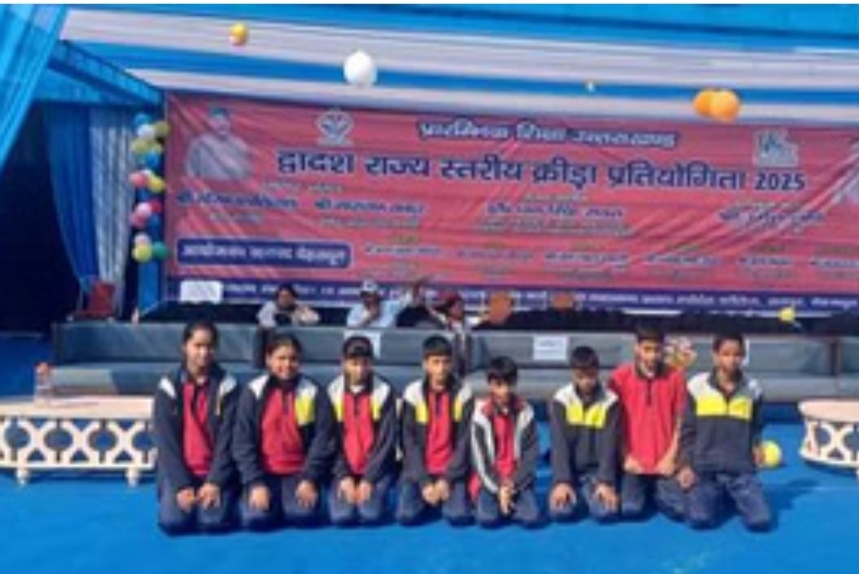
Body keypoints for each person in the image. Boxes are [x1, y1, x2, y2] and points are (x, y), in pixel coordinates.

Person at [232, 334, 335, 530]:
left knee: (304, 517)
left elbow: (323, 439)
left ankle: (287, 502)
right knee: (256, 520)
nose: (287, 365)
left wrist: (310, 478)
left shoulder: (313, 392)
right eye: (281, 358)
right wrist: (255, 483)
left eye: (293, 359)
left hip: (299, 473)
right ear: (268, 359)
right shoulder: (253, 392)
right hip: (263, 473)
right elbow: (242, 441)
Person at [677, 332, 772, 531]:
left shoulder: (753, 389)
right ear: (715, 356)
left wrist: (757, 445)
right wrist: (685, 465)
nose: (732, 359)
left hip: (740, 470)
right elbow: (687, 430)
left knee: (760, 521)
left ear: (743, 356)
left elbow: (756, 426)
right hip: (705, 470)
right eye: (726, 354)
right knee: (699, 519)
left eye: (737, 354)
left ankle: (732, 494)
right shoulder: (697, 386)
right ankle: (717, 495)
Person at [152, 320, 240, 535]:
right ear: (185, 346)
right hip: (181, 471)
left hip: (215, 471)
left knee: (213, 524)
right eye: (197, 346)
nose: (204, 352)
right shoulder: (168, 387)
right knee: (173, 523)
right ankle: (170, 491)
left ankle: (229, 495)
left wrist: (215, 481)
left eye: (209, 346)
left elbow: (229, 441)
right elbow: (166, 442)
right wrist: (181, 485)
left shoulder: (229, 387)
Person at [608, 324, 687, 520]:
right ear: (637, 348)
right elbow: (614, 424)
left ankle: (657, 490)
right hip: (635, 464)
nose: (652, 356)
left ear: (663, 349)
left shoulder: (676, 377)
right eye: (647, 349)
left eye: (657, 350)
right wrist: (626, 456)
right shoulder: (619, 378)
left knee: (680, 510)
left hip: (664, 463)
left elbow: (681, 421)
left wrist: (671, 457)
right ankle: (644, 490)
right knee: (630, 510)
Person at [397, 335, 474, 526]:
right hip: (419, 470)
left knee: (458, 517)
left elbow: (464, 442)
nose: (441, 368)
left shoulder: (464, 392)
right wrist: (424, 481)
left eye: (446, 362)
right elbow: (408, 442)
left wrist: (447, 479)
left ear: (452, 364)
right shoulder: (412, 393)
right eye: (435, 362)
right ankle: (430, 496)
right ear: (425, 364)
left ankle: (442, 496)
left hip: (452, 471)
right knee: (406, 517)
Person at [327, 336, 397, 526]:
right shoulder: (332, 391)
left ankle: (378, 495)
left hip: (377, 470)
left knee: (370, 515)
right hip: (344, 470)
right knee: (341, 517)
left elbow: (386, 442)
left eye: (365, 363)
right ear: (343, 363)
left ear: (371, 363)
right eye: (354, 364)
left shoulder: (384, 391)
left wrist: (369, 479)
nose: (360, 369)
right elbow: (330, 440)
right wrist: (344, 476)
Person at [549, 346, 621, 523]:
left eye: (591, 376)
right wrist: (562, 481)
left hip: (596, 473)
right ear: (573, 374)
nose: (586, 381)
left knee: (606, 513)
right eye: (580, 377)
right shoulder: (561, 400)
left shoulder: (610, 401)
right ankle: (575, 491)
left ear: (598, 372)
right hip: (570, 470)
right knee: (560, 513)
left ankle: (587, 493)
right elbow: (559, 444)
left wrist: (605, 481)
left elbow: (609, 444)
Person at [470, 356, 541, 528]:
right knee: (487, 519)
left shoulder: (526, 412)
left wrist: (513, 484)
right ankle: (502, 505)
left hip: (518, 480)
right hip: (490, 481)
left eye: (509, 384)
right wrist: (499, 488)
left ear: (515, 382)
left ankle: (507, 504)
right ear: (490, 385)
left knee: (532, 518)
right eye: (499, 385)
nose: (505, 390)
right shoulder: (479, 415)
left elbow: (531, 456)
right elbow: (480, 462)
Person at [184, 106, 252, 180]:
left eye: (225, 120)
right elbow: (190, 171)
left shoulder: (239, 145)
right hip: (206, 187)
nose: (222, 124)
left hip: (232, 187)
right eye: (216, 121)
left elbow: (245, 174)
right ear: (210, 123)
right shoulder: (199, 144)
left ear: (229, 123)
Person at [346, 278, 426, 329]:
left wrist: (415, 286)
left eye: (370, 296)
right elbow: (351, 329)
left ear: (378, 296)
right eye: (364, 296)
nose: (367, 299)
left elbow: (408, 299)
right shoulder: (356, 309)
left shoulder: (389, 306)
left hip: (387, 344)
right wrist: (369, 318)